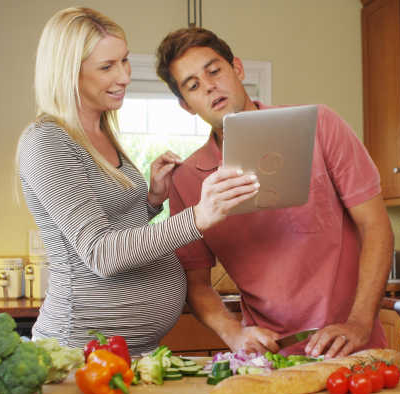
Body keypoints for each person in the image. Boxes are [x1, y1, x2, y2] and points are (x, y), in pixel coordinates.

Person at [17, 8, 259, 354]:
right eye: (107, 67)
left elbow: (115, 225)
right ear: (69, 73)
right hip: (80, 351)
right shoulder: (47, 141)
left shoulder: (100, 132)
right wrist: (197, 217)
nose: (125, 76)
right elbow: (101, 252)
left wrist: (151, 201)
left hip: (134, 349)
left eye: (125, 61)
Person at [155, 27, 394, 359]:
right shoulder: (186, 181)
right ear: (186, 105)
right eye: (193, 85)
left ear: (237, 68)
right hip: (269, 359)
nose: (209, 86)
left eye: (214, 71)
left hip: (353, 349)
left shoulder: (320, 125)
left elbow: (376, 226)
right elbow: (197, 284)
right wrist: (234, 333)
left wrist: (359, 323)